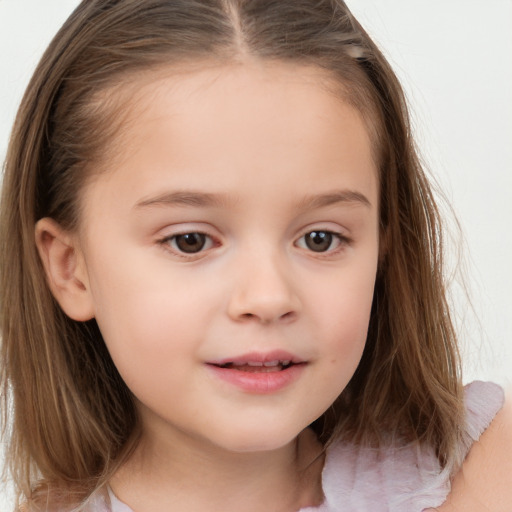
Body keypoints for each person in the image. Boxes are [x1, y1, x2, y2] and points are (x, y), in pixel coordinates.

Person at [0, 1, 510, 510]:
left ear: (382, 250)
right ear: (71, 269)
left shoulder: (483, 474)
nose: (267, 298)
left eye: (320, 239)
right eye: (190, 241)